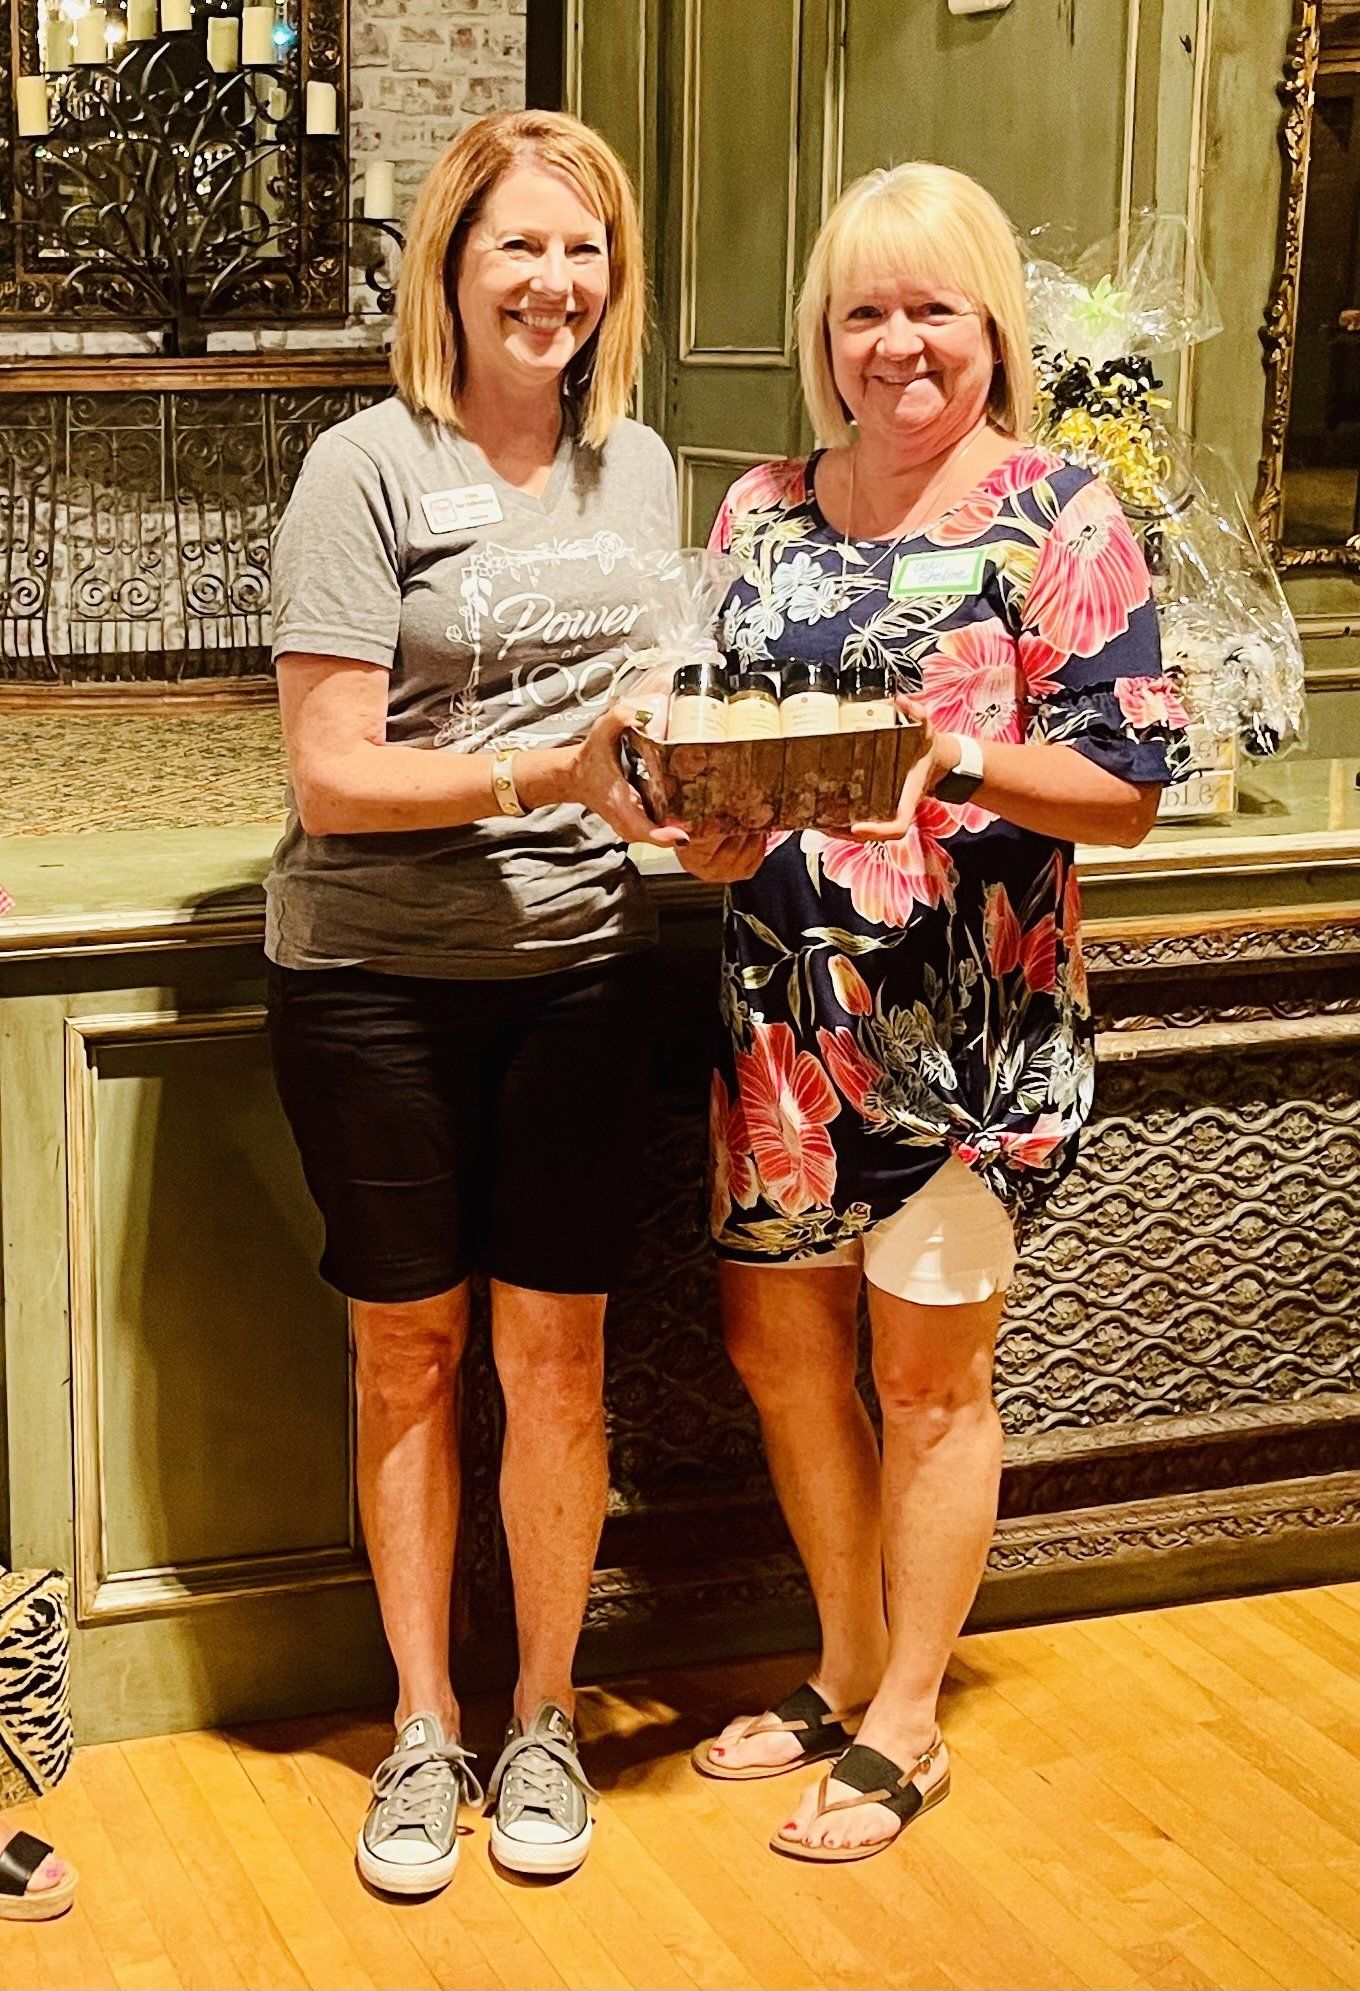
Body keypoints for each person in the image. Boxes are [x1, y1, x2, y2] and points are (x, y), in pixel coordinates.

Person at [683, 162, 1189, 1862]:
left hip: (968, 1035)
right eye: (863, 313)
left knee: (927, 1378)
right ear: (821, 334)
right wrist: (704, 824)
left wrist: (956, 754)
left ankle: (911, 1715)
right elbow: (725, 735)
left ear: (994, 327)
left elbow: (1126, 791)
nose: (897, 345)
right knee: (781, 1357)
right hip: (780, 1022)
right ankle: (842, 1664)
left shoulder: (1062, 516)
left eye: (933, 310)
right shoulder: (761, 510)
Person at [265, 108, 682, 1892]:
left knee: (558, 1359)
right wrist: (548, 776)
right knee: (410, 1353)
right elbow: (331, 777)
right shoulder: (361, 468)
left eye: (584, 250)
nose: (553, 282)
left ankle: (544, 1715)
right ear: (451, 263)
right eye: (520, 244)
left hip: (583, 969)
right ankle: (425, 1725)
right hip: (374, 978)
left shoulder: (639, 466)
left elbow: (648, 724)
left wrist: (703, 799)